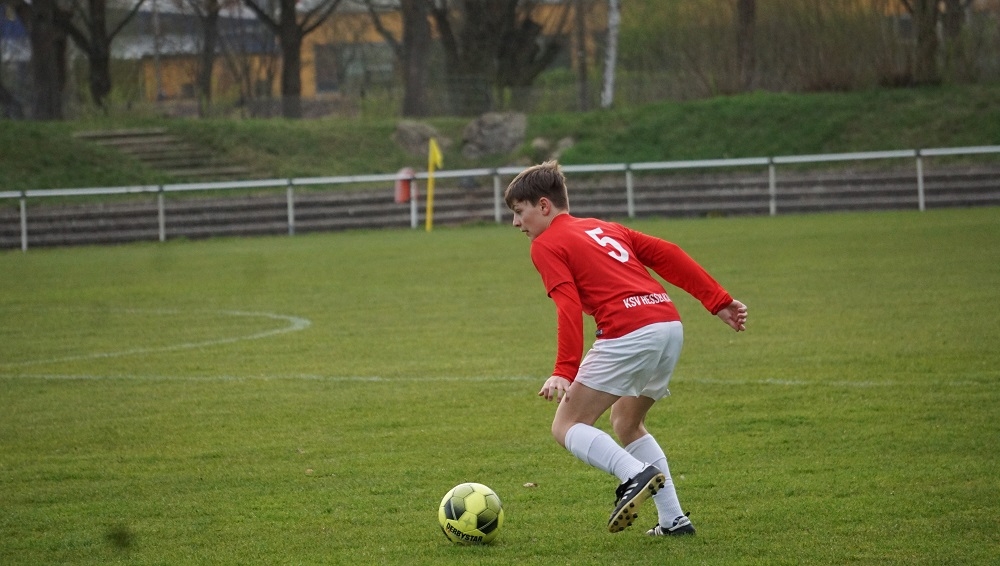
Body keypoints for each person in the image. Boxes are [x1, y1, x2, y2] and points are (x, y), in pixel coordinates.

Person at [504, 160, 748, 535]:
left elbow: (567, 305)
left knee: (566, 424)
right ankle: (674, 521)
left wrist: (563, 370)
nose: (517, 224)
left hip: (629, 332)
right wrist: (718, 300)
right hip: (667, 325)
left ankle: (634, 474)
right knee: (627, 422)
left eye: (519, 213)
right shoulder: (605, 227)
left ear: (543, 206)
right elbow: (668, 252)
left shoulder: (546, 244)